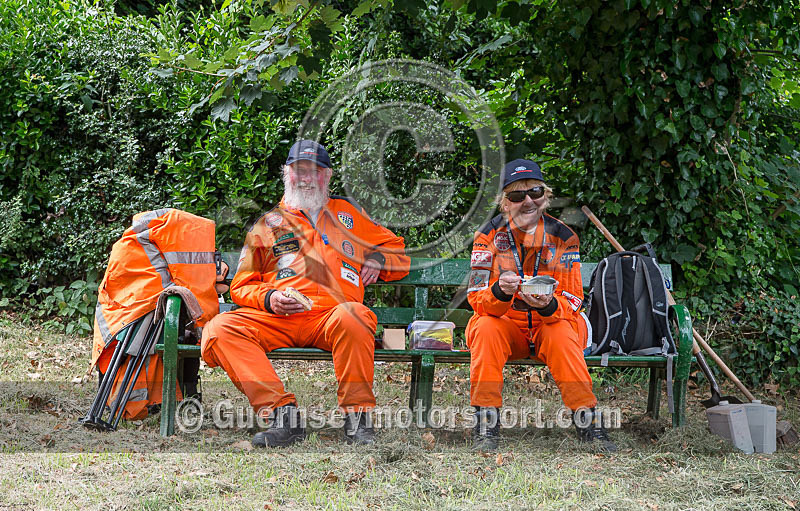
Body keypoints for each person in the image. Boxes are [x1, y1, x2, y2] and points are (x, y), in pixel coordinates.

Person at [201, 140, 410, 447]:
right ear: (288, 174)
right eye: (300, 170)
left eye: (315, 171)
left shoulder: (349, 214)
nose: (307, 178)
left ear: (326, 177)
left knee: (355, 315)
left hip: (332, 317)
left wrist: (379, 259)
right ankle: (283, 416)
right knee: (219, 329)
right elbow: (242, 285)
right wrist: (270, 298)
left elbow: (400, 254)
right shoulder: (266, 225)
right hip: (279, 319)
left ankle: (358, 420)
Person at [465, 158, 617, 451]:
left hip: (551, 322)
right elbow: (476, 297)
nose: (527, 202)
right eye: (517, 196)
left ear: (546, 196)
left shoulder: (565, 237)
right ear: (504, 202)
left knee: (561, 333)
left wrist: (548, 305)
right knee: (483, 327)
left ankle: (590, 425)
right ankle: (486, 427)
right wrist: (500, 290)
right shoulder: (486, 236)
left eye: (534, 192)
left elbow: (573, 298)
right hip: (508, 325)